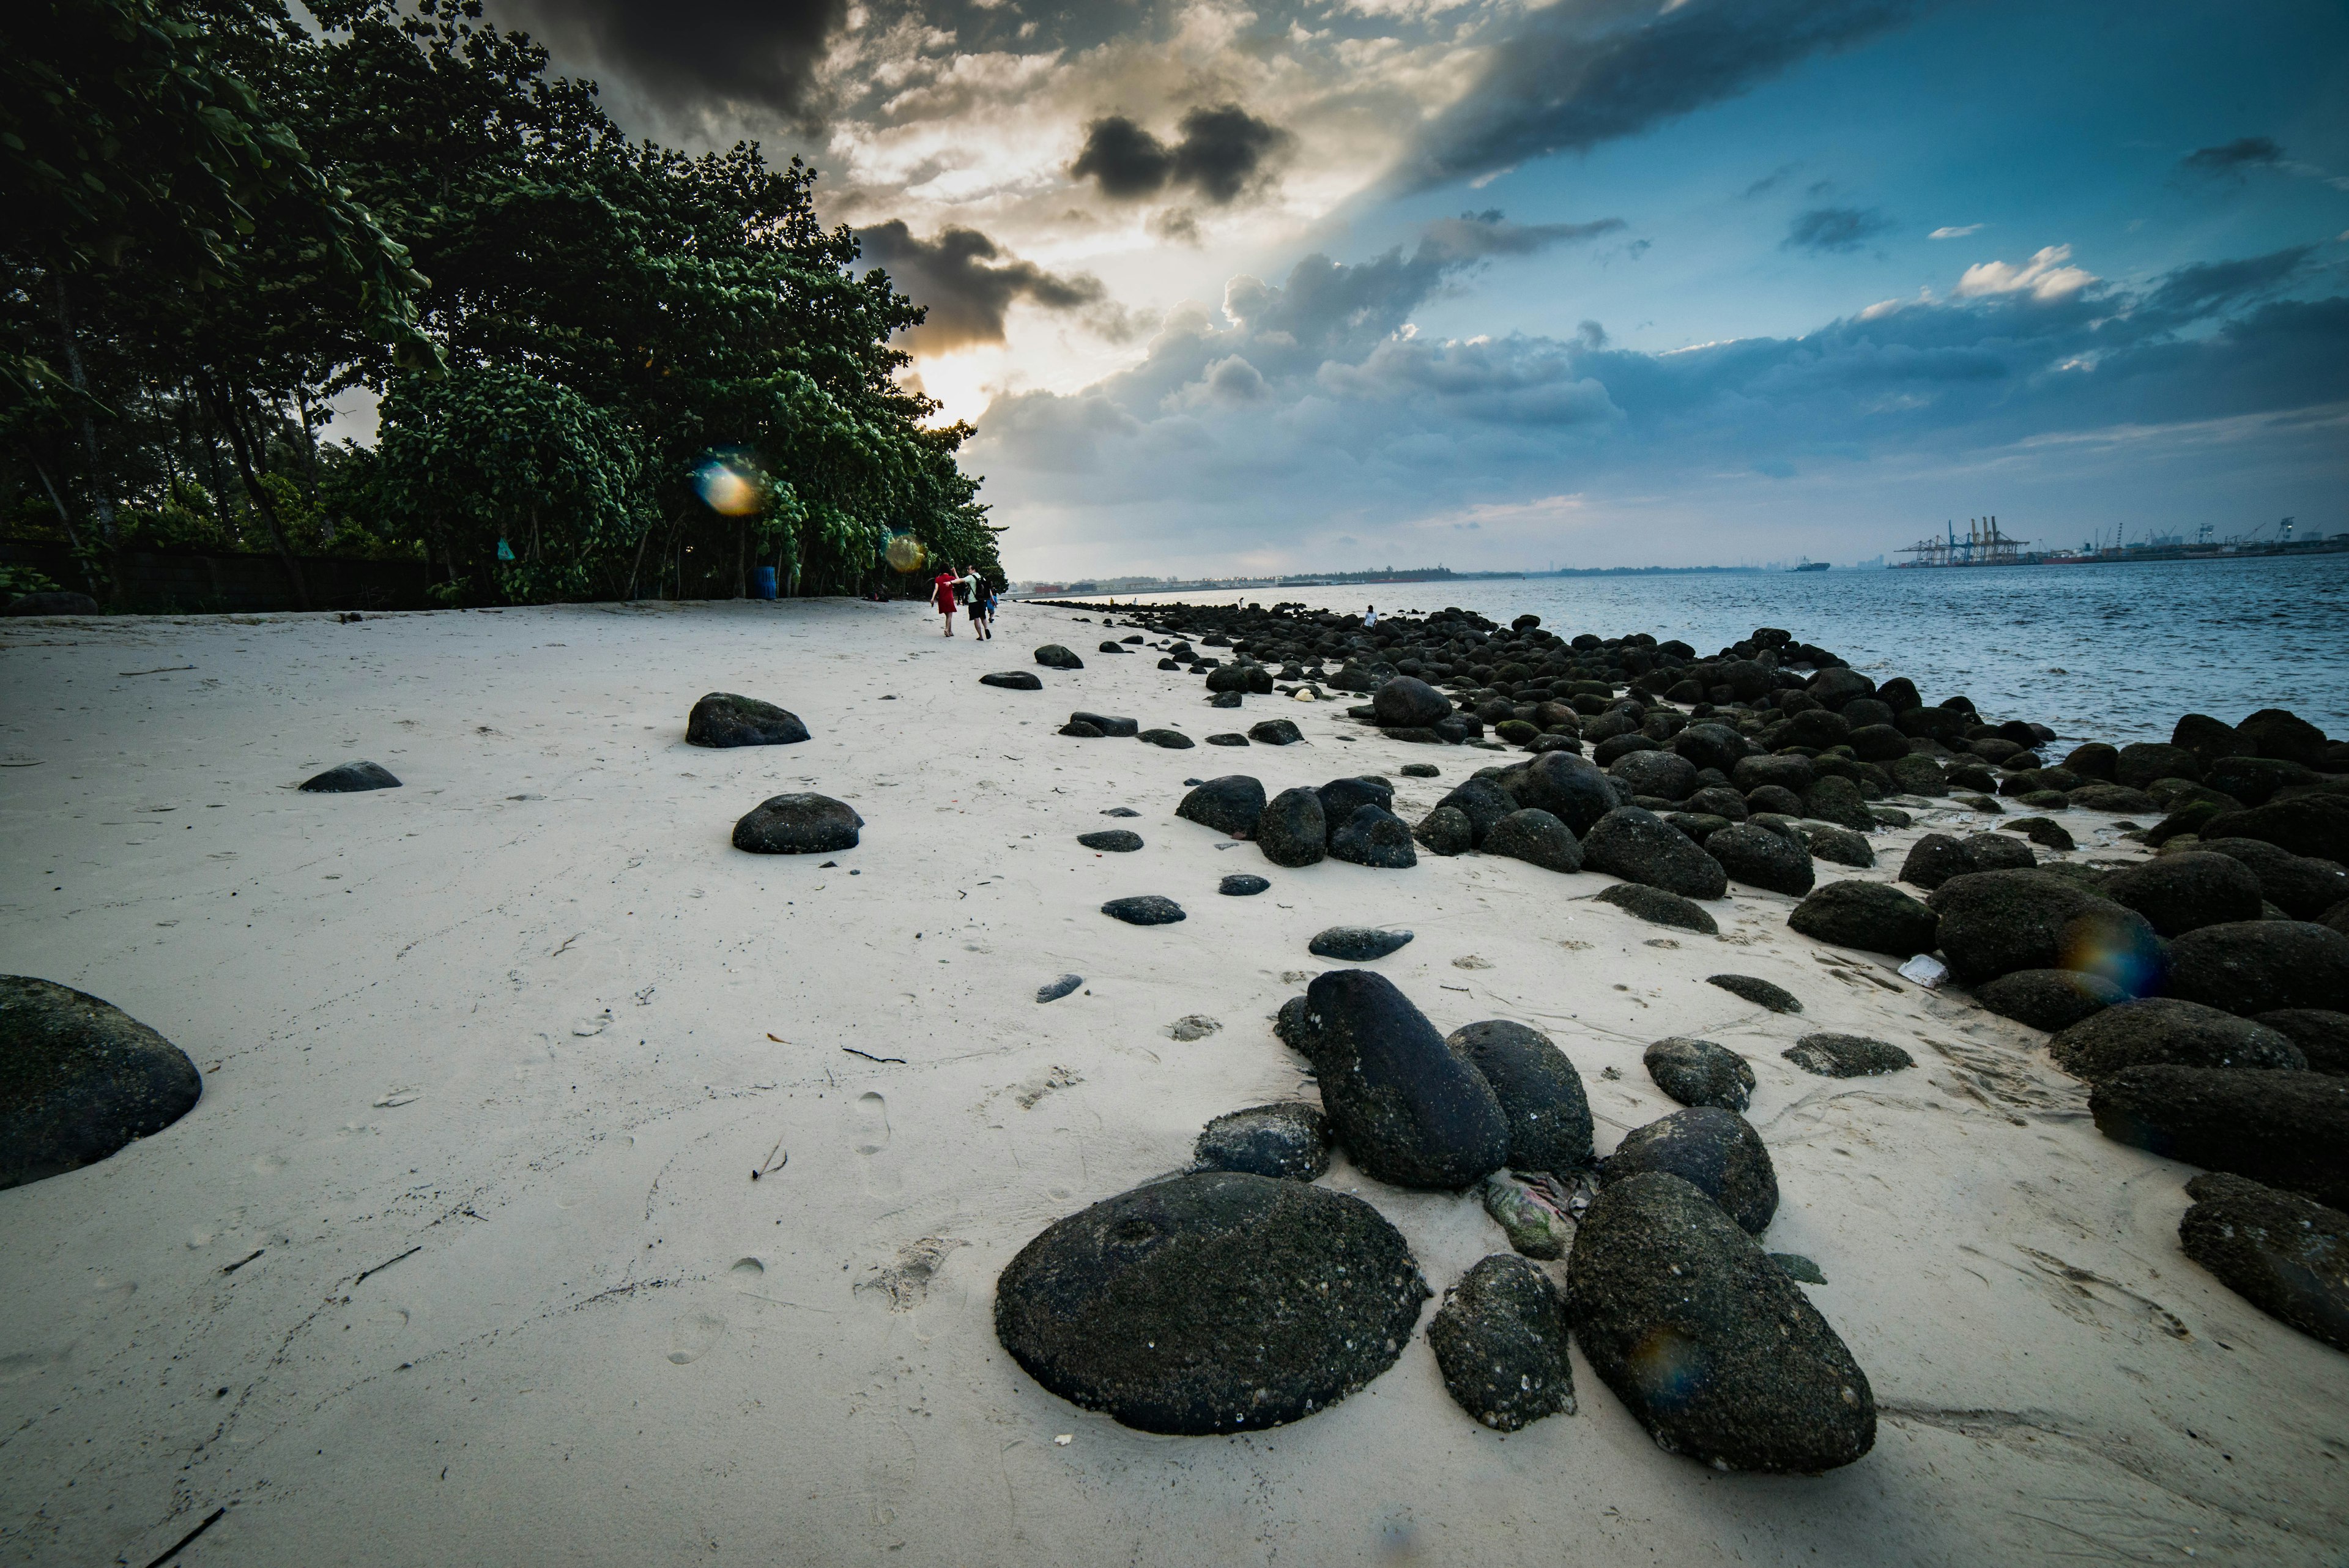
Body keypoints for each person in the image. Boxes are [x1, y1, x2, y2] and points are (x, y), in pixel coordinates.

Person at [932, 567, 959, 635]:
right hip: (949, 599)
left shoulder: (938, 579)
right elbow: (959, 581)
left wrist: (932, 598)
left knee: (948, 616)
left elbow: (936, 589)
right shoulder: (951, 578)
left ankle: (950, 631)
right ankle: (947, 629)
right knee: (950, 615)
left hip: (941, 599)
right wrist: (955, 572)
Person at [969, 576, 996, 640]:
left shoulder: (970, 578)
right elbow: (988, 589)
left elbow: (961, 580)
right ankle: (986, 628)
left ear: (973, 570)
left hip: (974, 601)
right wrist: (992, 599)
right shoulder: (982, 578)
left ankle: (981, 636)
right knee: (983, 617)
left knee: (976, 619)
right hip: (982, 601)